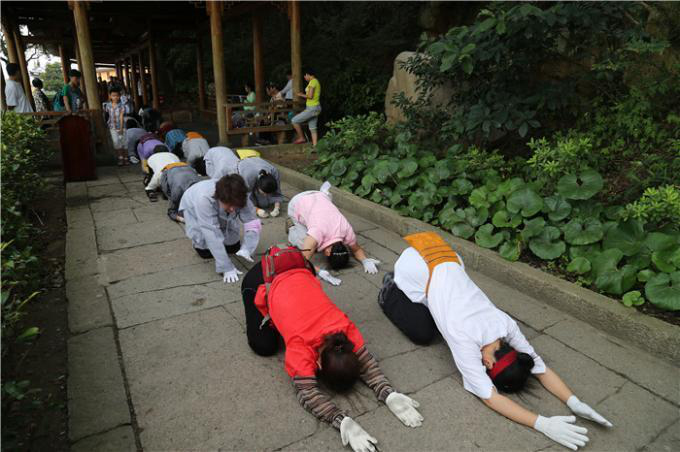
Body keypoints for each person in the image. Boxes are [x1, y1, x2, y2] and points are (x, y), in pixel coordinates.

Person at [379, 231, 613, 451]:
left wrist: (573, 401)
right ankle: (390, 288)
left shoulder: (505, 325)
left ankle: (418, 296)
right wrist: (542, 423)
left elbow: (539, 367)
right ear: (489, 366)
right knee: (422, 334)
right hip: (414, 266)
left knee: (433, 316)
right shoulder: (464, 339)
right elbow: (491, 398)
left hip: (450, 259)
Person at [241, 252, 423, 452]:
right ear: (317, 365)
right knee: (263, 346)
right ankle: (252, 293)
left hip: (303, 267)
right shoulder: (299, 345)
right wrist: (341, 421)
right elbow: (307, 393)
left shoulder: (345, 329)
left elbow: (367, 363)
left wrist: (388, 393)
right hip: (265, 276)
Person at [287, 181, 380, 286]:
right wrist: (319, 271)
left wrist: (365, 260)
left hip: (320, 196)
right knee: (301, 244)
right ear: (327, 253)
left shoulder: (347, 231)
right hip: (298, 202)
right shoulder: (316, 233)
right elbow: (303, 259)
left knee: (312, 245)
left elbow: (357, 249)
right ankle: (291, 228)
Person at [178, 174, 261, 283]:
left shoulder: (241, 195)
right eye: (229, 205)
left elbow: (251, 222)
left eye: (235, 205)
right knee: (205, 252)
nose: (232, 209)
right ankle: (202, 245)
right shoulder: (203, 199)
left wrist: (248, 247)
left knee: (233, 247)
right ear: (219, 198)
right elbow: (211, 233)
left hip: (218, 202)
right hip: (194, 206)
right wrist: (226, 267)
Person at [205, 150, 283, 218]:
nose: (266, 195)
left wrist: (277, 207)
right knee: (254, 203)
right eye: (265, 193)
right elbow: (245, 197)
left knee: (264, 203)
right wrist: (257, 210)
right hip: (246, 167)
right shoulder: (247, 176)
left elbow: (277, 191)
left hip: (255, 164)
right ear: (259, 185)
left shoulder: (274, 172)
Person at [292, 67, 321, 146]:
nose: (304, 78)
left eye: (305, 76)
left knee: (294, 120)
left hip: (312, 108)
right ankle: (315, 147)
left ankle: (301, 138)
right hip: (316, 108)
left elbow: (310, 96)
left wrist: (301, 94)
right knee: (313, 128)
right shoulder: (316, 81)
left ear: (308, 74)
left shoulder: (312, 82)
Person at [103, 87, 128, 166]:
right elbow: (106, 115)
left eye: (117, 96)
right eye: (113, 95)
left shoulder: (121, 105)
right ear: (110, 96)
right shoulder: (107, 105)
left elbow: (121, 116)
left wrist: (120, 128)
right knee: (116, 142)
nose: (115, 97)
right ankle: (120, 158)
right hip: (112, 127)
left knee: (124, 143)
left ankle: (126, 158)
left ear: (119, 96)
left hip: (122, 126)